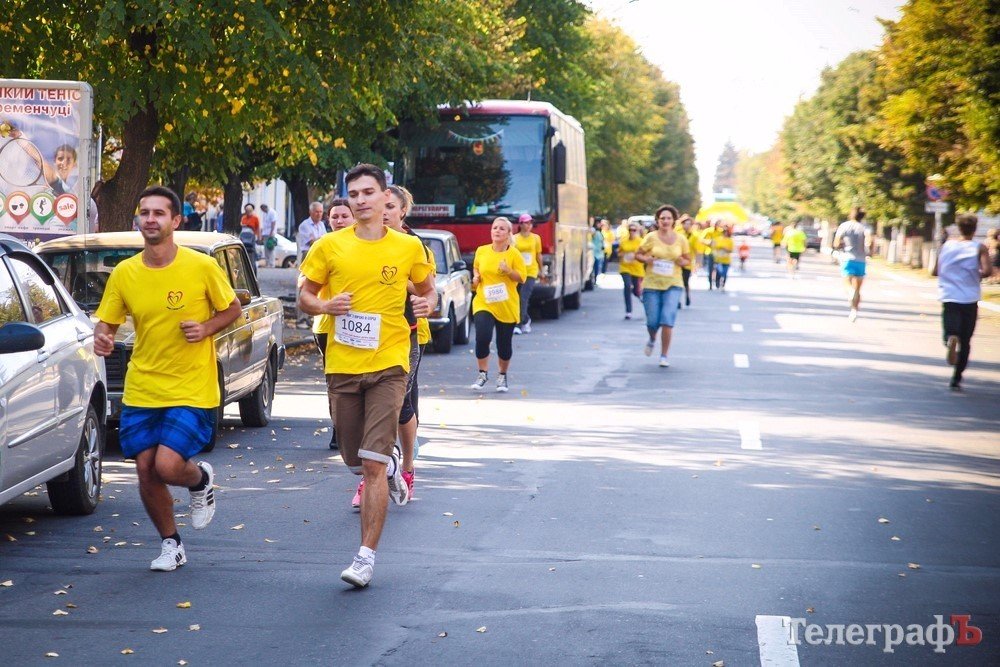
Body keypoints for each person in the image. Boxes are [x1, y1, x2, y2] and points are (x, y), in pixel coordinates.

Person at [298, 164, 435, 588]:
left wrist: (427, 303)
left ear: (383, 197)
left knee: (372, 464)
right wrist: (325, 307)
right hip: (342, 364)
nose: (359, 200)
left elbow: (427, 288)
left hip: (390, 362)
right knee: (354, 459)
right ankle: (391, 466)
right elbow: (304, 295)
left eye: (368, 192)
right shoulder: (328, 246)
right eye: (353, 193)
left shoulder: (408, 248)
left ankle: (365, 556)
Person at [92, 186, 241, 571]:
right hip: (144, 384)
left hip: (192, 385)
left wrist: (207, 328)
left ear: (176, 221)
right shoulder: (125, 273)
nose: (150, 219)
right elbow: (107, 323)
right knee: (144, 468)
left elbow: (233, 308)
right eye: (145, 213)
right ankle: (171, 544)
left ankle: (198, 481)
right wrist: (103, 338)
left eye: (159, 213)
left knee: (168, 466)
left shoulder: (201, 266)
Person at [350, 185, 429, 508]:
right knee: (364, 410)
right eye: (381, 206)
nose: (384, 212)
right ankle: (376, 471)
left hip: (405, 334)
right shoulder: (363, 242)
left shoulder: (413, 245)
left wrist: (396, 276)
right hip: (364, 337)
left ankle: (403, 467)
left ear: (402, 212)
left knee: (398, 407)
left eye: (391, 207)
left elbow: (425, 288)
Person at [309, 197, 355, 450]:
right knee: (336, 381)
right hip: (328, 325)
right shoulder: (323, 246)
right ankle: (339, 428)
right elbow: (305, 285)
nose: (339, 220)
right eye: (334, 216)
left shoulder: (366, 245)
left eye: (344, 216)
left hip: (362, 325)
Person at [931, 214, 992, 391]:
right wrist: (974, 274)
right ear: (974, 229)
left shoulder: (947, 246)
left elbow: (935, 270)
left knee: (950, 330)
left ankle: (950, 339)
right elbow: (987, 271)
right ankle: (956, 378)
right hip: (970, 297)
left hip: (949, 295)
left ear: (959, 228)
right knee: (966, 340)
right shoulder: (979, 247)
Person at [470, 217, 526, 392]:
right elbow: (476, 269)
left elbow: (522, 277)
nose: (497, 231)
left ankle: (502, 376)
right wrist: (475, 278)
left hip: (506, 304)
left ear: (509, 233)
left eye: (502, 229)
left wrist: (508, 271)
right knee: (482, 337)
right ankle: (482, 373)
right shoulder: (482, 251)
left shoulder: (514, 254)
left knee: (504, 344)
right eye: (495, 228)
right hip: (484, 302)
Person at [635, 204, 690, 367]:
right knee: (652, 321)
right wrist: (647, 259)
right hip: (652, 284)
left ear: (674, 221)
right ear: (658, 221)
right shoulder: (651, 237)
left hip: (673, 283)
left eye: (668, 218)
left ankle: (664, 355)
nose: (665, 221)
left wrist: (682, 261)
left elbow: (688, 260)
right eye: (662, 218)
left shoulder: (681, 239)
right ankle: (652, 338)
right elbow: (638, 254)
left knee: (667, 319)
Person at [834, 206, 871, 321]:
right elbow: (869, 241)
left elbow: (836, 242)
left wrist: (840, 246)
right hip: (861, 260)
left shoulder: (844, 226)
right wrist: (868, 250)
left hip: (847, 259)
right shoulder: (865, 227)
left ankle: (850, 293)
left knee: (847, 285)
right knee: (858, 289)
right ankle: (854, 311)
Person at [295, 202, 327, 326]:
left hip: (319, 254)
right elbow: (313, 241)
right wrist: (322, 240)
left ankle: (310, 317)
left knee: (317, 287)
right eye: (316, 212)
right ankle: (301, 318)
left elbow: (323, 240)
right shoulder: (305, 225)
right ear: (311, 212)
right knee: (303, 285)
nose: (319, 214)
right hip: (307, 254)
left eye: (321, 212)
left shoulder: (321, 225)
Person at [513, 213, 542, 334]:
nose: (528, 225)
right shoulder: (514, 238)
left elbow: (538, 255)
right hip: (518, 272)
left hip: (531, 271)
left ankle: (519, 324)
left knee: (524, 297)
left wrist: (541, 271)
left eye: (530, 223)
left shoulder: (536, 238)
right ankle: (526, 319)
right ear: (520, 224)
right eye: (526, 222)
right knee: (517, 297)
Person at [618, 221, 645, 319]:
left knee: (636, 291)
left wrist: (637, 256)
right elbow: (619, 253)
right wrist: (623, 255)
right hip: (625, 267)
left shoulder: (641, 241)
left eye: (634, 230)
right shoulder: (624, 241)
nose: (632, 232)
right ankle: (628, 311)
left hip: (637, 268)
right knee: (627, 286)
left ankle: (643, 299)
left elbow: (645, 254)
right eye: (630, 230)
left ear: (637, 231)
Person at [713, 226, 734, 291]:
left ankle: (723, 285)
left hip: (726, 259)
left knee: (725, 273)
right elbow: (714, 247)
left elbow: (731, 250)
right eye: (724, 232)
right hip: (719, 259)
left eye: (726, 232)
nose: (725, 233)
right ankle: (717, 283)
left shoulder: (730, 240)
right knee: (719, 272)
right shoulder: (717, 239)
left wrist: (725, 249)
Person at [259, 203, 278, 268]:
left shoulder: (272, 212)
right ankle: (267, 263)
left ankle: (271, 264)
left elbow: (273, 223)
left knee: (271, 248)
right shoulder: (265, 213)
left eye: (262, 210)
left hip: (270, 234)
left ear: (265, 208)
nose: (262, 211)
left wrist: (271, 232)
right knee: (266, 249)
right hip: (265, 233)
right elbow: (264, 224)